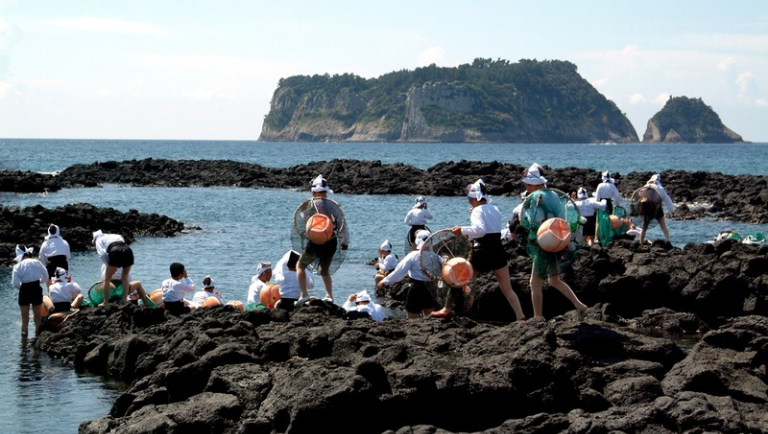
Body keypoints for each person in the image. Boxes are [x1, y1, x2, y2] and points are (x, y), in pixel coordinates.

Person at [432, 179, 526, 321]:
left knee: (458, 279)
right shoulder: (494, 208)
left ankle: (447, 309)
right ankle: (521, 316)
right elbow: (489, 225)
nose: (469, 201)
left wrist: (461, 230)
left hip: (483, 251)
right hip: (498, 250)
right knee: (507, 288)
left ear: (474, 198)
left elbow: (480, 231)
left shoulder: (477, 210)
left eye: (469, 199)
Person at [521, 164, 589, 319]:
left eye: (526, 183)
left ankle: (538, 317)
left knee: (535, 283)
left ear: (532, 183)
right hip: (558, 240)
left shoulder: (537, 197)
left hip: (544, 244)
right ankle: (580, 306)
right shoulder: (553, 195)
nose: (525, 186)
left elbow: (533, 222)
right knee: (554, 280)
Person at [296, 174, 349, 302]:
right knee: (324, 269)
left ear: (313, 192)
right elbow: (342, 224)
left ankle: (304, 294)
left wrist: (303, 211)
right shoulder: (333, 205)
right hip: (330, 240)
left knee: (300, 266)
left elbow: (305, 221)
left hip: (315, 240)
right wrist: (344, 242)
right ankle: (329, 296)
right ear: (326, 191)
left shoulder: (309, 204)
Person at [377, 229, 438, 319]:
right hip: (431, 289)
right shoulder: (435, 256)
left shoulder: (413, 255)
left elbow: (399, 272)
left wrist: (385, 281)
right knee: (430, 317)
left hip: (416, 289)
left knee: (412, 318)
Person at [12, 245, 49, 337]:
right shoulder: (37, 262)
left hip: (24, 289)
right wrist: (40, 281)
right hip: (36, 287)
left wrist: (23, 287)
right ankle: (37, 336)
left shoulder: (17, 266)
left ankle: (24, 342)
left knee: (24, 319)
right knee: (38, 316)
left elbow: (15, 283)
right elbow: (46, 276)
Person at [92, 230, 134, 304]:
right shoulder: (116, 235)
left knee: (107, 279)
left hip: (115, 251)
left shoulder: (98, 240)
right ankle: (124, 300)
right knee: (125, 278)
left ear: (94, 240)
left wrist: (111, 266)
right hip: (128, 251)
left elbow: (102, 255)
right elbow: (123, 246)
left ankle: (106, 301)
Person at [639, 173, 676, 245]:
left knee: (644, 228)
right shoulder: (660, 188)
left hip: (647, 208)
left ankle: (641, 243)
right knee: (663, 226)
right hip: (657, 208)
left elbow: (640, 196)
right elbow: (667, 199)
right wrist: (671, 210)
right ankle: (668, 241)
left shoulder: (645, 186)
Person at [594, 171, 622, 243]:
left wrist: (596, 206)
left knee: (599, 221)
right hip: (609, 204)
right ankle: (608, 236)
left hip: (600, 203)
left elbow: (597, 197)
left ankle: (597, 238)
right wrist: (617, 204)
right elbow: (617, 196)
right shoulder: (612, 186)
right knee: (608, 220)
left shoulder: (600, 185)